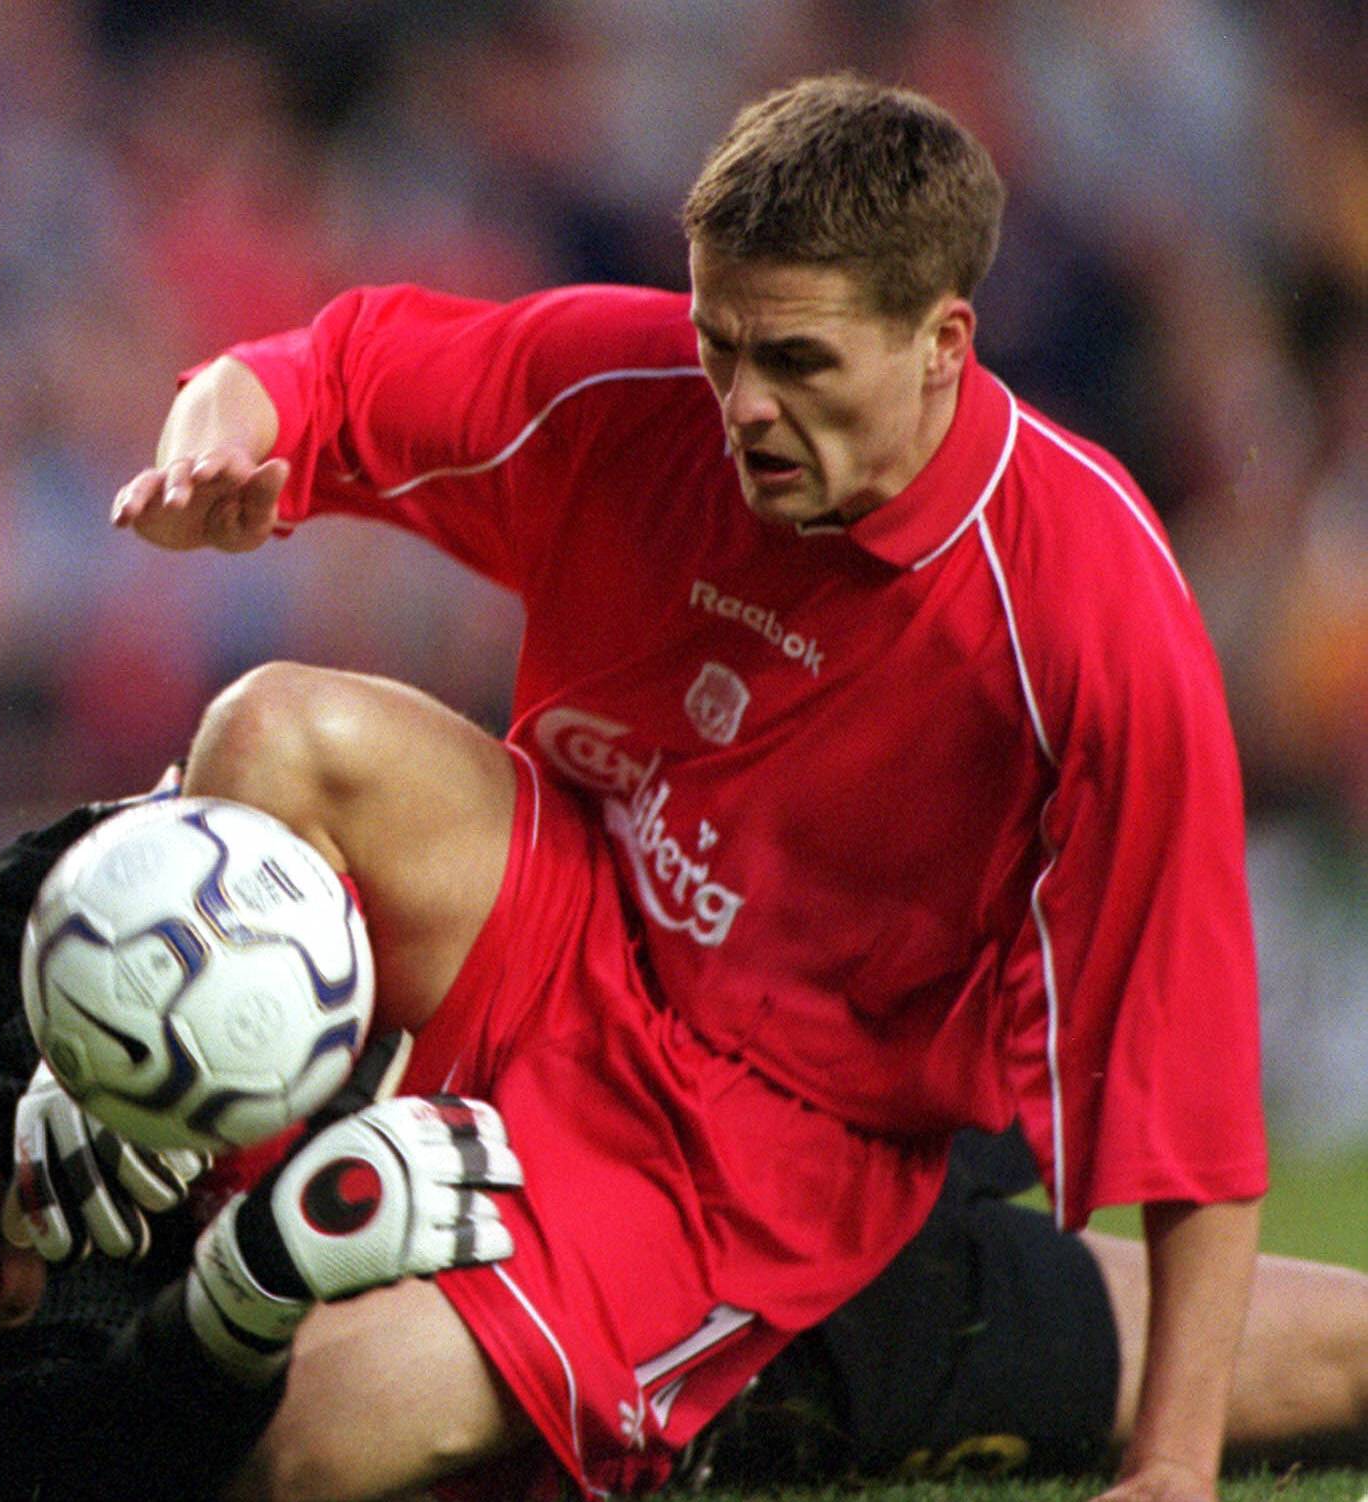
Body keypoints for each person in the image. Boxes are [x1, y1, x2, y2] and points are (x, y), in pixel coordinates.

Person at [109, 74, 1267, 1502]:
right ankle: (212, 1254)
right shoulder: (637, 388)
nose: (744, 406)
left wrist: (1175, 1467)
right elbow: (321, 373)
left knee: (314, 1442)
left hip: (760, 1137)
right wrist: (210, 440)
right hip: (559, 918)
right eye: (722, 345)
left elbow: (1188, 1069)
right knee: (273, 729)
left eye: (796, 361)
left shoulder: (1091, 607)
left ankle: (630, 1377)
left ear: (942, 343)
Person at [0, 798, 1367, 1501]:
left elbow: (248, 826)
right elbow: (167, 1448)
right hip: (714, 1351)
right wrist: (241, 1290)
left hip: (663, 1092)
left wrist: (110, 1054)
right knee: (1326, 1360)